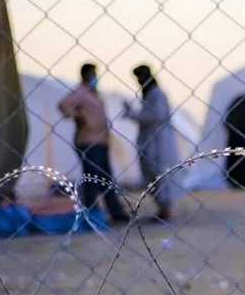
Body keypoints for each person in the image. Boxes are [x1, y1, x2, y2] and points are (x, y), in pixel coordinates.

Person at [57, 62, 129, 223]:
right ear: (85, 75)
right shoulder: (80, 93)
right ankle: (90, 213)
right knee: (92, 179)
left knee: (106, 179)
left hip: (101, 140)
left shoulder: (94, 93)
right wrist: (78, 116)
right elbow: (63, 105)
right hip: (88, 141)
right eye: (92, 74)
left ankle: (116, 212)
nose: (95, 78)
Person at [123, 64, 181, 221]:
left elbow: (156, 116)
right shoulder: (149, 94)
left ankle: (166, 210)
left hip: (159, 142)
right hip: (150, 142)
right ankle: (162, 209)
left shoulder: (157, 94)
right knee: (151, 175)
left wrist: (133, 114)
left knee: (161, 175)